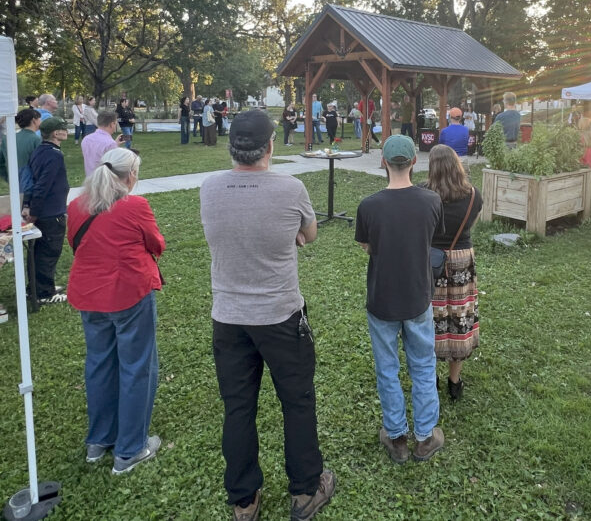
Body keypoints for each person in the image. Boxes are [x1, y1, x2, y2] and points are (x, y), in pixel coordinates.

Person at [200, 110, 336, 520]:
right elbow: (309, 235)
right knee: (297, 401)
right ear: (271, 146)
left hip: (228, 317)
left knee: (237, 406)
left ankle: (245, 500)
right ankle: (305, 490)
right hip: (280, 316)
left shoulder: (210, 188)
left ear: (231, 146)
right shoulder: (290, 189)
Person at [67, 148, 165, 474]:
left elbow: (75, 243)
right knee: (137, 366)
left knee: (99, 363)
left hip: (90, 293)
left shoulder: (77, 206)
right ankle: (130, 449)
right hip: (128, 291)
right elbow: (157, 244)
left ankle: (100, 439)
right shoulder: (135, 206)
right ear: (131, 175)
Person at [355, 135, 446, 464]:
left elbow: (367, 247)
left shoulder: (368, 205)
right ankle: (425, 437)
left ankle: (396, 437)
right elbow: (430, 238)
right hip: (418, 296)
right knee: (423, 366)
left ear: (383, 161)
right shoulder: (431, 201)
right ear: (413, 162)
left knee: (387, 369)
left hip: (382, 298)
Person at [423, 145, 482, 400]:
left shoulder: (422, 193)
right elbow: (471, 224)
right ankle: (454, 381)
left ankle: (431, 377)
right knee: (460, 317)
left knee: (430, 319)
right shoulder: (472, 195)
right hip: (461, 261)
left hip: (430, 260)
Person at [25, 117, 70, 305]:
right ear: (55, 133)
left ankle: (36, 287)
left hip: (45, 210)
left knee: (38, 252)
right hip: (50, 213)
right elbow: (42, 185)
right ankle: (44, 293)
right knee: (48, 253)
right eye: (63, 129)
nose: (66, 131)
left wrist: (28, 205)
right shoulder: (54, 155)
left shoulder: (40, 151)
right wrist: (34, 209)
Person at [0, 108, 42, 194]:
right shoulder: (37, 140)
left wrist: (9, 178)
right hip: (33, 186)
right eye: (40, 119)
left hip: (15, 183)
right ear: (34, 121)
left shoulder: (8, 139)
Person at [81, 110, 123, 177]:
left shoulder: (86, 139)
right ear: (112, 124)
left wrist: (115, 144)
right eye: (116, 123)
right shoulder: (110, 143)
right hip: (104, 181)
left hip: (89, 179)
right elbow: (115, 166)